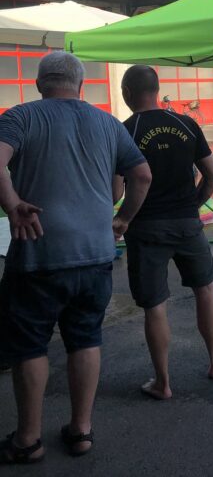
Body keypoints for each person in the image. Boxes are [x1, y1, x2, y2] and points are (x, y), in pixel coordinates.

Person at [0, 52, 151, 463]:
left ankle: (27, 440)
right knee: (85, 338)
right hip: (96, 254)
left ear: (39, 84)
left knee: (30, 346)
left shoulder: (20, 117)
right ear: (81, 85)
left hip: (38, 254)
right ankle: (81, 431)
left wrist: (13, 203)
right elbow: (141, 175)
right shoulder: (106, 122)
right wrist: (123, 220)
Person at [115, 65, 213, 401]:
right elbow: (212, 176)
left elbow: (115, 194)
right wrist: (191, 205)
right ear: (157, 88)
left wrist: (121, 217)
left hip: (146, 228)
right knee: (205, 289)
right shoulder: (186, 123)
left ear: (127, 93)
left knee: (155, 305)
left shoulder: (126, 131)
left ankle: (162, 383)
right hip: (187, 224)